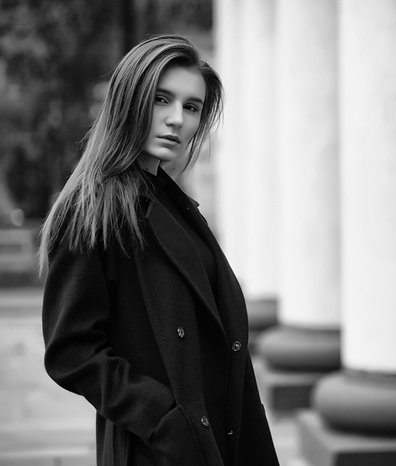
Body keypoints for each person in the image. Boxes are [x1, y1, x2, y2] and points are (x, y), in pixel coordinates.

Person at [38, 34, 280, 466]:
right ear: (130, 100)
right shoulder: (93, 208)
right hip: (160, 450)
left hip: (222, 434)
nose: (176, 120)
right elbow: (71, 351)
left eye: (191, 107)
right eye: (161, 100)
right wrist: (164, 417)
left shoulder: (172, 199)